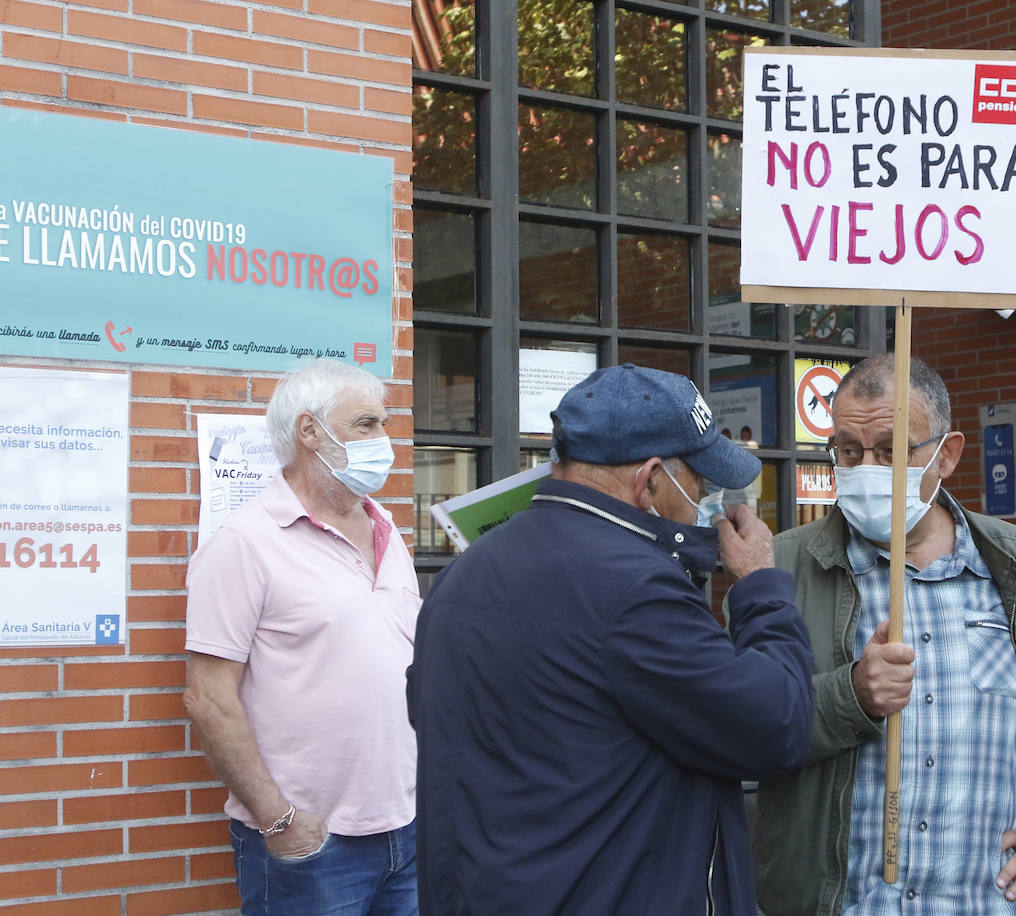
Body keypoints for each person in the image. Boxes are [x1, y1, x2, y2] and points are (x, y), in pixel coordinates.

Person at [408, 363, 814, 915]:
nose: (710, 498)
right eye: (701, 481)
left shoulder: (467, 570)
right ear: (649, 481)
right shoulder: (638, 589)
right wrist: (761, 585)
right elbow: (777, 726)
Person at [755, 354, 1016, 916]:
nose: (866, 468)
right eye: (848, 451)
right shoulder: (782, 571)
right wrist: (851, 696)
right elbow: (741, 728)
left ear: (946, 454)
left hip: (989, 902)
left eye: (890, 451)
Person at [184, 359, 420, 915]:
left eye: (383, 424)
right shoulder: (245, 542)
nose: (383, 440)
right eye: (366, 424)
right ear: (309, 431)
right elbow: (209, 698)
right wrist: (278, 819)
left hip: (406, 829)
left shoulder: (390, 532)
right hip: (313, 844)